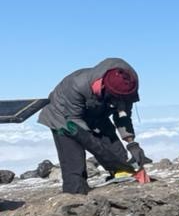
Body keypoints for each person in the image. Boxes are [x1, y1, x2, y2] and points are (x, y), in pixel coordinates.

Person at [37, 59, 149, 194]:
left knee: (116, 153)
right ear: (103, 88)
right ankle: (76, 195)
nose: (116, 103)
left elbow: (123, 115)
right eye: (114, 99)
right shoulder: (77, 85)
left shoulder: (128, 85)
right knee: (74, 162)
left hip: (96, 114)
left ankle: (122, 184)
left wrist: (132, 144)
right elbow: (75, 121)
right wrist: (97, 147)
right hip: (63, 118)